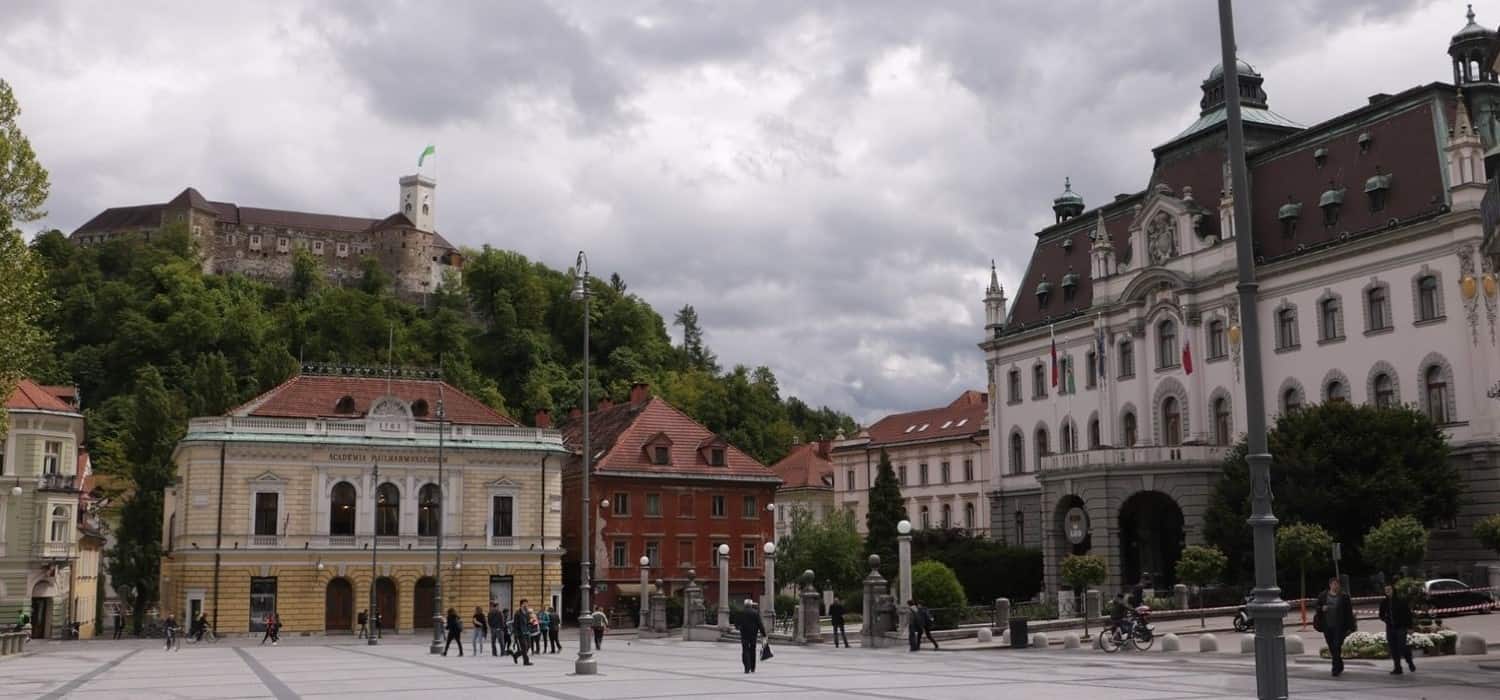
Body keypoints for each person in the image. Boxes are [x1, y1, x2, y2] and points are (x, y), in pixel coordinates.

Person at [1315, 577, 1357, 677]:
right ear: (1330, 585)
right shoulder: (1323, 596)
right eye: (1333, 584)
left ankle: (1335, 668)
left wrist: (1351, 626)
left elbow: (1348, 612)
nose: (1335, 586)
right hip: (1327, 626)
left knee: (1336, 645)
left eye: (1337, 584)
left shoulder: (1344, 597)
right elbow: (1317, 608)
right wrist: (1321, 609)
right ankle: (1339, 664)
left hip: (1340, 626)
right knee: (1332, 646)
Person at [1379, 583, 1416, 675]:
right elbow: (1381, 614)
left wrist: (1410, 627)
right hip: (1390, 628)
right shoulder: (1384, 602)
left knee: (1402, 647)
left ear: (1393, 590)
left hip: (1401, 627)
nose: (1388, 592)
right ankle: (1397, 667)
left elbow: (1408, 615)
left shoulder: (1400, 601)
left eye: (1389, 589)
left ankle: (1409, 661)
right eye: (1386, 590)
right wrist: (1386, 619)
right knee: (1393, 648)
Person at [734, 599, 767, 673]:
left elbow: (736, 624)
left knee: (745, 650)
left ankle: (747, 667)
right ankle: (753, 667)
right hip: (753, 634)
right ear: (751, 605)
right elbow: (760, 624)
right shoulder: (755, 613)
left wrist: (740, 628)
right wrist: (763, 633)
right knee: (753, 650)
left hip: (744, 634)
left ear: (745, 605)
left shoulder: (741, 612)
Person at [511, 601, 533, 665]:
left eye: (527, 604)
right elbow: (515, 624)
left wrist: (531, 623)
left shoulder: (527, 613)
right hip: (521, 633)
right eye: (525, 604)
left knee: (528, 647)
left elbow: (528, 622)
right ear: (521, 605)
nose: (526, 605)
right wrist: (516, 634)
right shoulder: (517, 613)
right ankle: (526, 661)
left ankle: (516, 655)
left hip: (527, 632)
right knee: (524, 647)